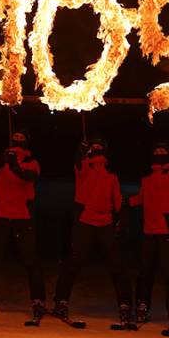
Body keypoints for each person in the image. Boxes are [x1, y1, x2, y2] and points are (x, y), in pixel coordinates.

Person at [52, 136, 128, 324]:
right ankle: (61, 302)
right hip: (85, 220)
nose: (96, 149)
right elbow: (78, 164)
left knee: (116, 265)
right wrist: (80, 152)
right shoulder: (84, 167)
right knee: (74, 262)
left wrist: (120, 216)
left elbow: (117, 197)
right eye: (93, 147)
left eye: (99, 146)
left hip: (105, 222)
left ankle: (125, 305)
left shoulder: (111, 174)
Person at [128, 141, 169, 335]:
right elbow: (142, 198)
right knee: (145, 272)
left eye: (163, 151)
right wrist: (125, 202)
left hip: (168, 229)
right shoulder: (148, 177)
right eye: (156, 151)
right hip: (149, 230)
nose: (159, 153)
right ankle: (142, 306)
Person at [0, 128, 46, 320]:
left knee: (30, 259)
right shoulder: (3, 159)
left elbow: (30, 177)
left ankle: (38, 300)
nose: (18, 139)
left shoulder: (32, 162)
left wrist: (16, 167)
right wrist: (3, 159)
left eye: (22, 137)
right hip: (2, 213)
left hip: (23, 215)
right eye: (16, 137)